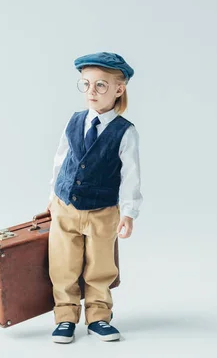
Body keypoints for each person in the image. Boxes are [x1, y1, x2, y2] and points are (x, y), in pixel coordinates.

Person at [46, 52, 143, 343]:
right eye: (86, 84)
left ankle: (99, 316)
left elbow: (131, 176)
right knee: (63, 264)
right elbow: (60, 159)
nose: (91, 91)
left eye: (100, 85)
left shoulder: (125, 132)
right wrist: (52, 194)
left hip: (103, 210)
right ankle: (65, 316)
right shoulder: (74, 121)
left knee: (100, 266)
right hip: (66, 206)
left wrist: (128, 212)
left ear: (118, 89)